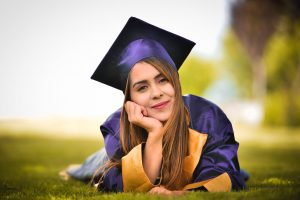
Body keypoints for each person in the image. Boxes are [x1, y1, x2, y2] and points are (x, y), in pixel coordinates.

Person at [61, 17, 246, 195]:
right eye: (142, 87)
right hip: (101, 159)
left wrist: (181, 194)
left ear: (177, 81)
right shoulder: (117, 126)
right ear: (130, 98)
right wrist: (155, 134)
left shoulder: (208, 117)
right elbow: (126, 184)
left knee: (239, 173)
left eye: (163, 80)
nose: (156, 93)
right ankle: (76, 169)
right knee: (88, 168)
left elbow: (222, 174)